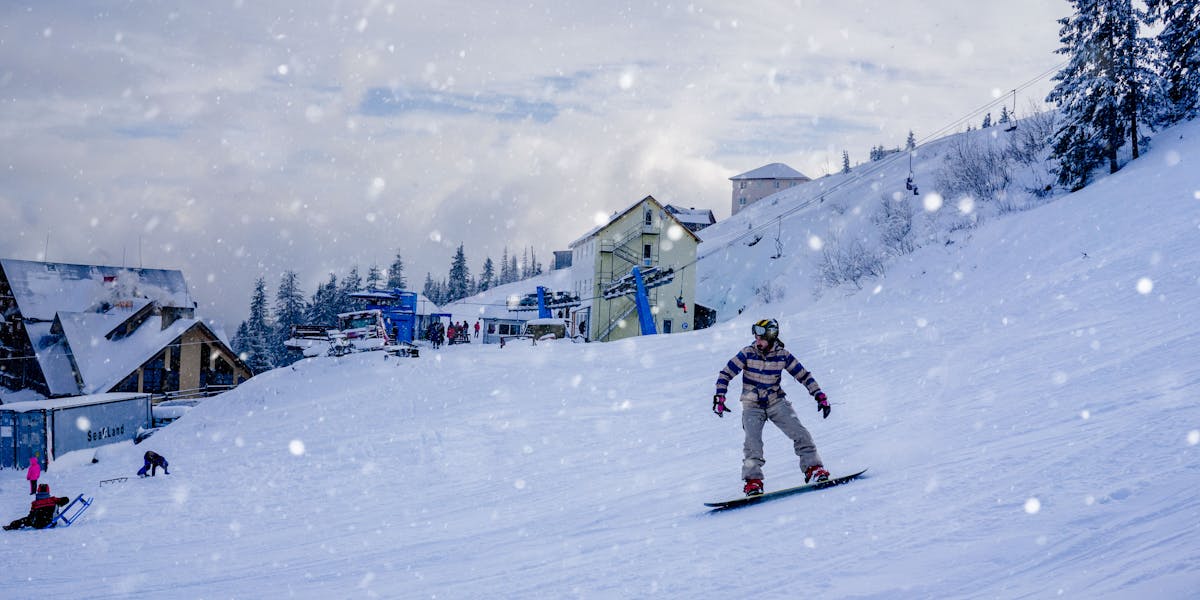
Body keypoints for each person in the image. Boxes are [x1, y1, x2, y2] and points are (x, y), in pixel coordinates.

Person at [712, 318, 833, 496]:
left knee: (800, 433)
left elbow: (804, 376)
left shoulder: (782, 355)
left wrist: (819, 395)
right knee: (752, 444)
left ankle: (813, 469)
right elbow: (726, 373)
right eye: (755, 336)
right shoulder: (747, 353)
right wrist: (720, 396)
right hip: (752, 405)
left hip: (776, 401)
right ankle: (753, 481)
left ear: (771, 337)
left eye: (761, 337)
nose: (757, 340)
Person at [3, 484, 70, 530]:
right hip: (51, 522)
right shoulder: (53, 500)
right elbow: (66, 499)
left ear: (38, 491)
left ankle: (12, 526)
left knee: (25, 520)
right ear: (48, 491)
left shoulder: (35, 503)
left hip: (37, 524)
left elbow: (31, 515)